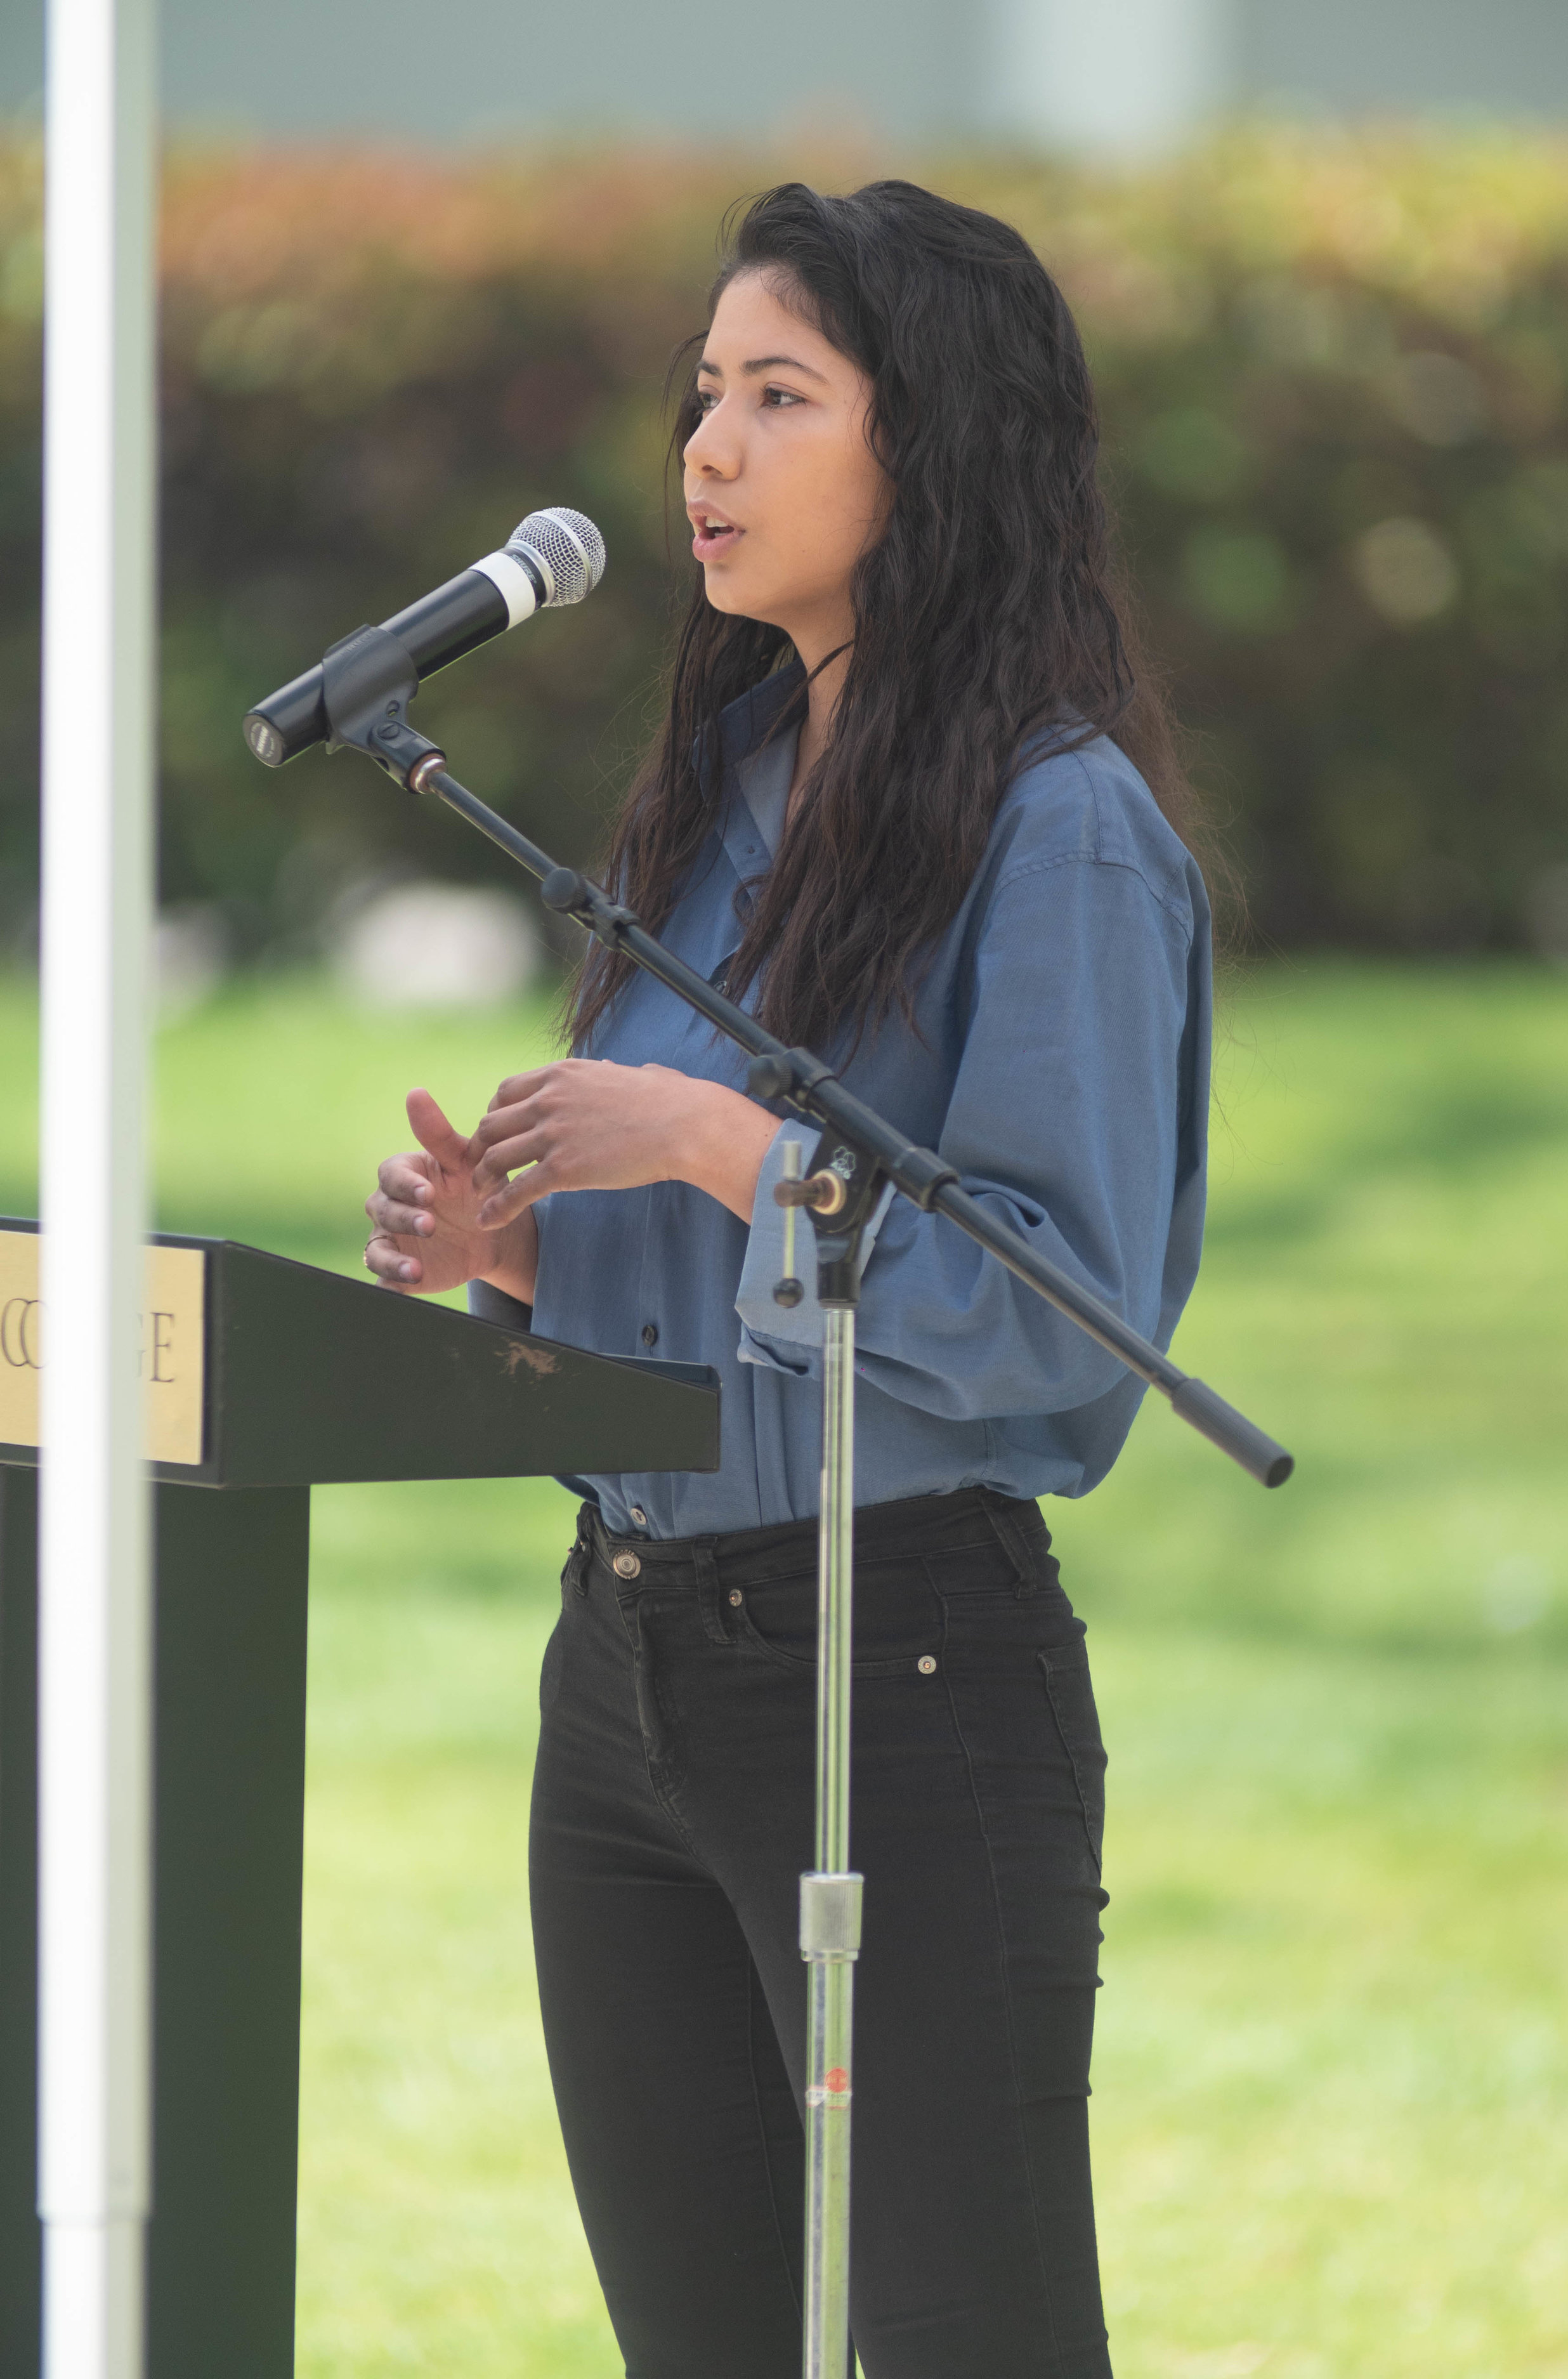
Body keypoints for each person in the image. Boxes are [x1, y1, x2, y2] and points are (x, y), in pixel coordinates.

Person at [363, 179, 1213, 2379]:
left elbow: (1061, 1315)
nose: (703, 455)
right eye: (699, 400)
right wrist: (525, 1250)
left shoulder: (1064, 831)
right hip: (624, 1685)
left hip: (894, 1673)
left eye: (776, 396)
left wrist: (732, 1146)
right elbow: (690, 1280)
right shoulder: (713, 791)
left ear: (929, 445)